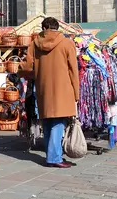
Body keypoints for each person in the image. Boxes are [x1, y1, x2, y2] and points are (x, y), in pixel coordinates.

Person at [23, 17, 80, 168]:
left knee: (48, 122)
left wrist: (29, 73)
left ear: (44, 28)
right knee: (58, 122)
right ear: (57, 27)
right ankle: (54, 158)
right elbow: (73, 70)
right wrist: (76, 92)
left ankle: (52, 155)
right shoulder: (67, 43)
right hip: (63, 88)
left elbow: (28, 67)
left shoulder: (34, 44)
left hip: (43, 88)